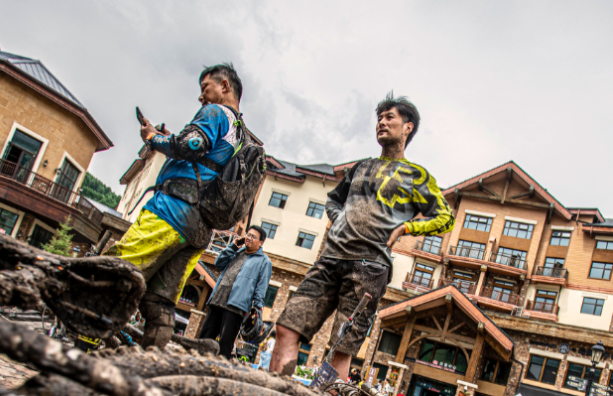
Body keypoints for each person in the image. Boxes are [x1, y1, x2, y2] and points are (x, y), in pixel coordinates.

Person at [268, 95, 453, 377]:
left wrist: (407, 228)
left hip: (369, 268)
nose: (381, 122)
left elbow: (445, 218)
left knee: (341, 348)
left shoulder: (416, 176)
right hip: (330, 259)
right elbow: (333, 200)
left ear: (408, 127)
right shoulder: (360, 167)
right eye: (379, 117)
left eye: (390, 117)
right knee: (286, 326)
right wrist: (339, 218)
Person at [116, 63, 251, 348]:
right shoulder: (241, 134)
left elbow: (191, 145)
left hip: (171, 210)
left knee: (116, 272)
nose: (201, 97)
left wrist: (154, 138)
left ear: (224, 86)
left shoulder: (215, 112)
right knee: (159, 301)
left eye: (205, 88)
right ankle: (148, 363)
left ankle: (84, 343)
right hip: (200, 228)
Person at [198, 226, 272, 359]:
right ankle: (196, 363)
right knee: (204, 337)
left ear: (261, 242)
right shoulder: (237, 252)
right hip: (218, 299)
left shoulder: (264, 261)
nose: (249, 238)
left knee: (225, 343)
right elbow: (218, 263)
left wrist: (258, 306)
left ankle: (218, 370)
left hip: (236, 306)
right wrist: (232, 247)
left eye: (253, 236)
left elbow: (262, 286)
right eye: (248, 235)